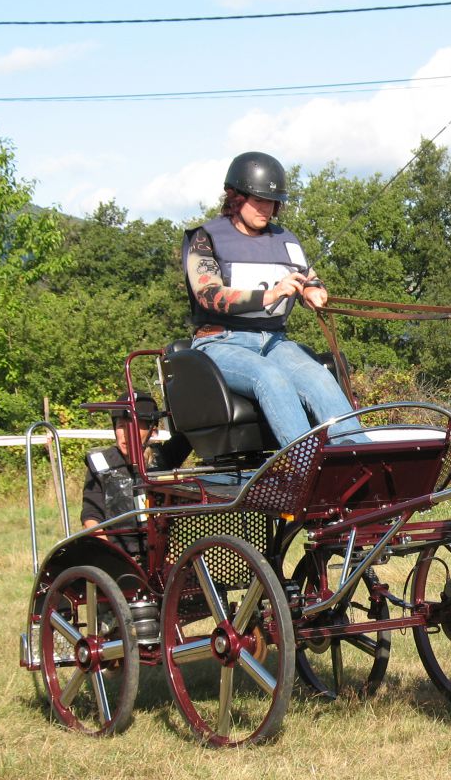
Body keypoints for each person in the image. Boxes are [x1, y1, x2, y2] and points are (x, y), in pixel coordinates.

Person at [182, 150, 361, 447]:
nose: (266, 209)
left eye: (273, 202)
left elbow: (308, 277)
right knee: (270, 377)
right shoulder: (206, 237)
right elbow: (209, 295)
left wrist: (313, 291)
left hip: (275, 342)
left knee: (319, 377)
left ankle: (358, 456)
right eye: (259, 200)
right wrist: (272, 294)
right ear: (236, 197)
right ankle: (305, 463)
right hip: (221, 342)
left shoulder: (285, 239)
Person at [81, 391, 184, 556]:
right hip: (116, 555)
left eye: (134, 426)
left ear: (152, 431)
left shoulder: (164, 458)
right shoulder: (100, 464)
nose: (126, 434)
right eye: (121, 426)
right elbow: (91, 517)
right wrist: (113, 557)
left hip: (157, 556)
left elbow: (188, 433)